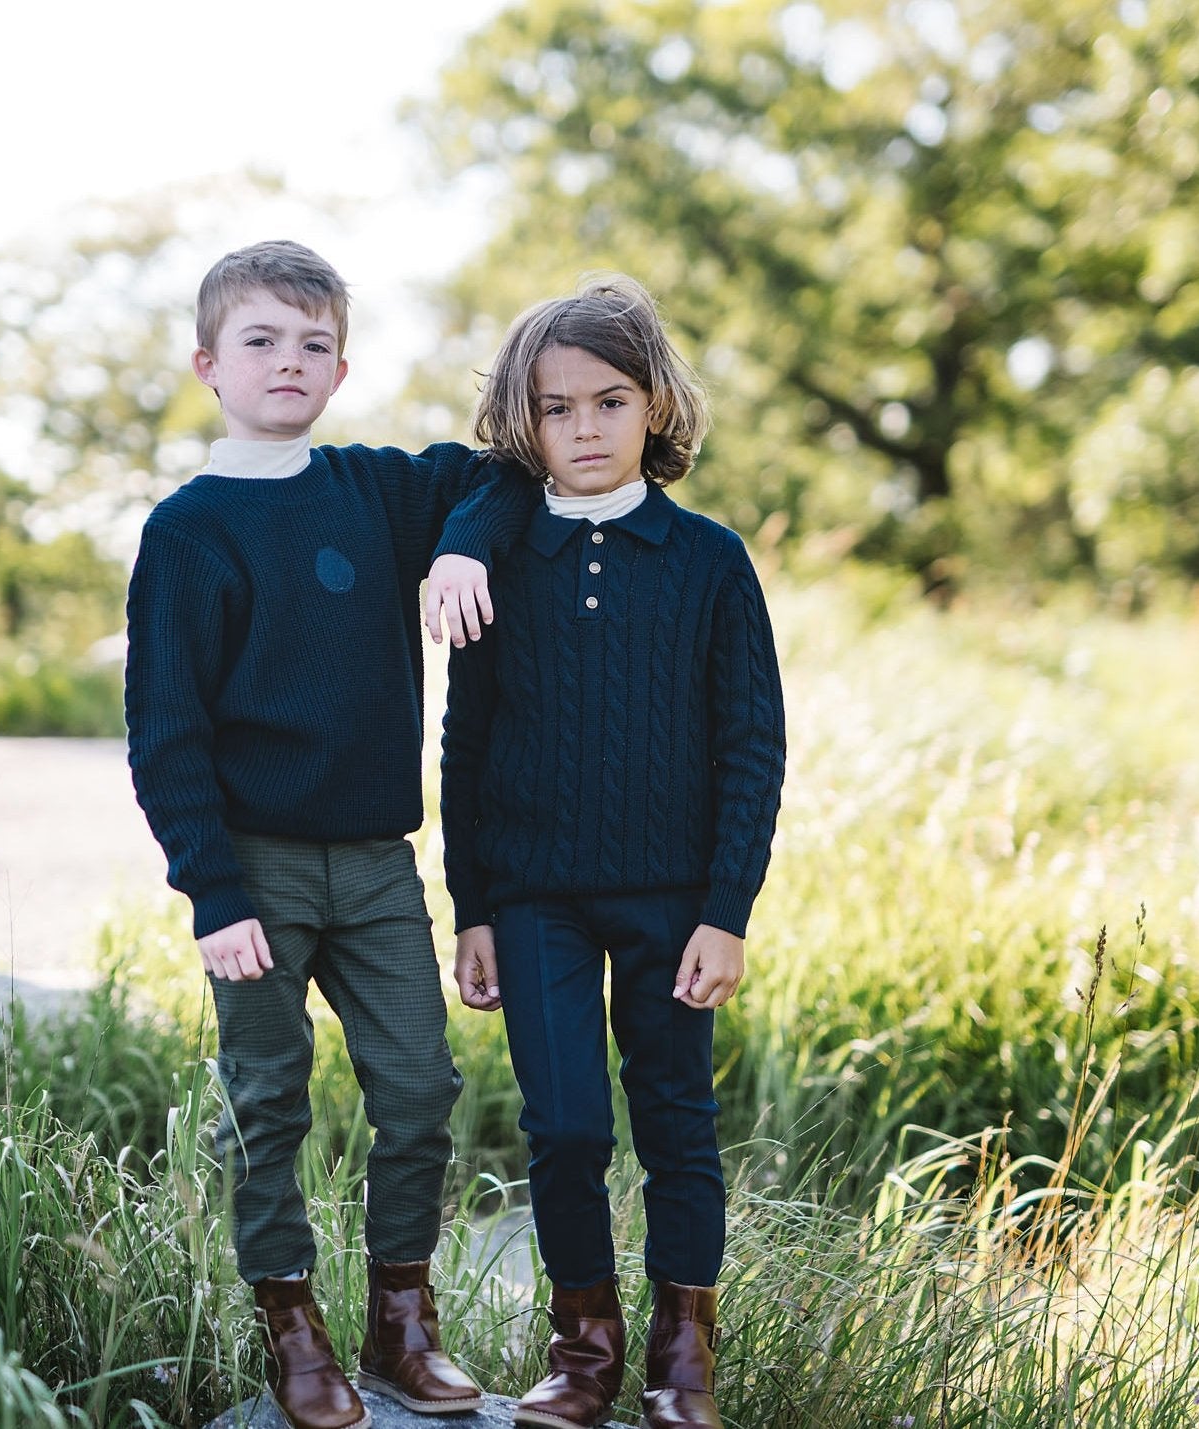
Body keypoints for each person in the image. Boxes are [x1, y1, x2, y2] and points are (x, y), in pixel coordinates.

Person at [125, 240, 524, 1429]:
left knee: (419, 1083)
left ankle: (402, 1325)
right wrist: (212, 893)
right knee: (269, 1094)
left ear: (341, 369)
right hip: (251, 869)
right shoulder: (189, 532)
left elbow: (498, 474)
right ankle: (291, 1329)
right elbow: (166, 734)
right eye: (260, 339)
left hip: (377, 866)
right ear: (208, 362)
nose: (287, 361)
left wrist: (455, 544)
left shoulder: (373, 491)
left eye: (313, 344)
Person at [439, 276, 786, 1429]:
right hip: (532, 897)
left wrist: (726, 909)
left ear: (654, 409)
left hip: (672, 899)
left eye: (607, 401)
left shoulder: (709, 559)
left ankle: (683, 1362)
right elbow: (466, 740)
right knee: (567, 1126)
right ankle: (581, 1352)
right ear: (523, 422)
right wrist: (471, 905)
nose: (581, 430)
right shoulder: (501, 558)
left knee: (675, 1118)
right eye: (553, 409)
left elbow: (751, 747)